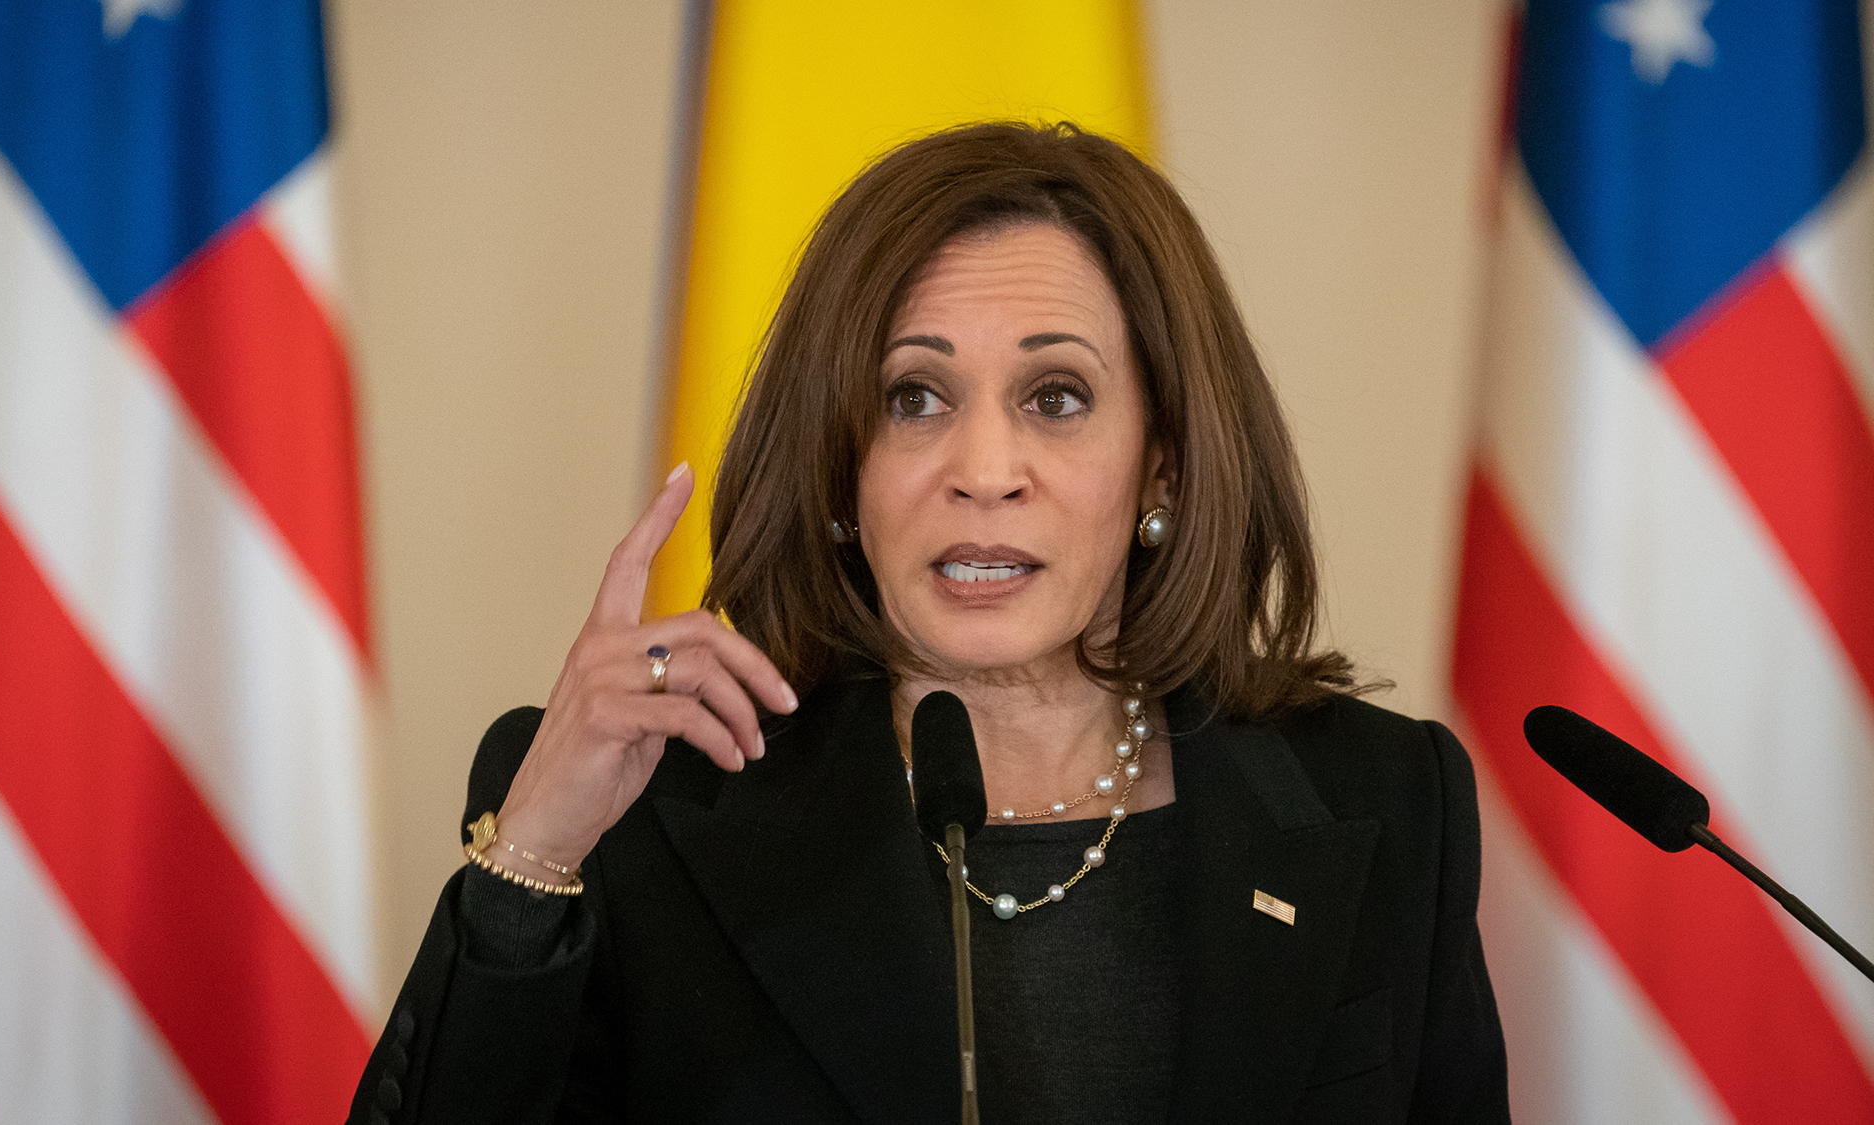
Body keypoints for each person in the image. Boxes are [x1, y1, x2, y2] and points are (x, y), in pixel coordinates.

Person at [348, 122, 1509, 1124]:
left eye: (1055, 399)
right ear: (841, 468)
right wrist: (532, 859)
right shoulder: (645, 808)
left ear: (1161, 468)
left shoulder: (1381, 801)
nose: (984, 468)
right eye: (914, 399)